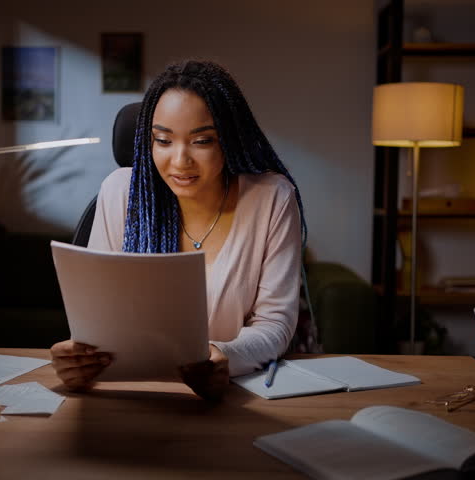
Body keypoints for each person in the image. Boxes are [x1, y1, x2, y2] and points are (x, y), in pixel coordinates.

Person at [51, 60, 310, 401]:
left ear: (230, 140)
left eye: (202, 141)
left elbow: (276, 324)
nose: (180, 161)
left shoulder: (271, 198)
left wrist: (224, 357)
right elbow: (97, 321)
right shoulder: (120, 192)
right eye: (163, 140)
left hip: (231, 397)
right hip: (132, 398)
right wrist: (80, 360)